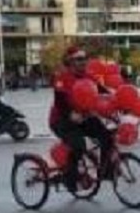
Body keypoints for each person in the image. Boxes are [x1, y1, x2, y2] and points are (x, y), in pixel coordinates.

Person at [49, 47, 115, 193]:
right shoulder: (62, 78)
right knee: (77, 145)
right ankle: (70, 179)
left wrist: (116, 102)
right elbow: (60, 102)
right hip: (61, 120)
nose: (83, 62)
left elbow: (102, 91)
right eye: (79, 59)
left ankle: (106, 171)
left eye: (85, 58)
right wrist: (70, 114)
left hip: (83, 117)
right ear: (70, 61)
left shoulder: (88, 77)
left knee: (107, 136)